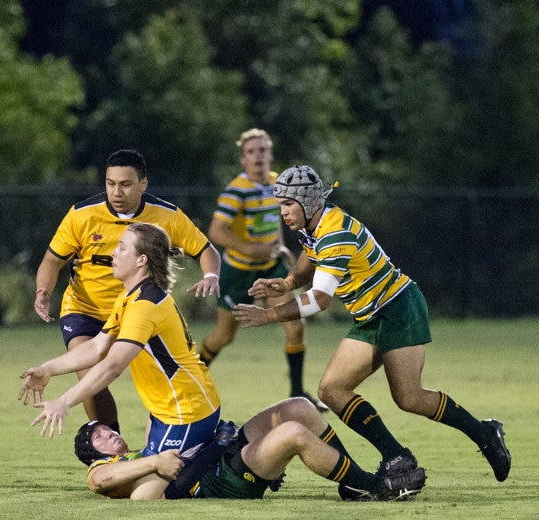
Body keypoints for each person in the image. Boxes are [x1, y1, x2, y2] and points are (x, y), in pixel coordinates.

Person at [231, 165, 511, 482]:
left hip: (399, 308)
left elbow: (318, 301)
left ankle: (486, 434)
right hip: (371, 315)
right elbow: (311, 250)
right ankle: (396, 456)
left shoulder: (335, 233)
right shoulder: (316, 222)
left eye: (287, 204)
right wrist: (290, 280)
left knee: (409, 398)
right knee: (332, 390)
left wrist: (268, 314)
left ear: (308, 202)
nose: (282, 212)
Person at [33, 149, 221, 433]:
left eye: (125, 184)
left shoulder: (166, 216)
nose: (116, 191)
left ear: (143, 184)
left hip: (139, 310)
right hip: (86, 309)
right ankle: (110, 443)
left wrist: (210, 275)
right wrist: (43, 291)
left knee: (157, 372)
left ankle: (174, 425)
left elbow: (206, 250)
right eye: (110, 183)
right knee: (89, 371)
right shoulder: (82, 216)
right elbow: (52, 260)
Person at [21, 223, 221, 457]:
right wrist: (48, 369)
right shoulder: (130, 297)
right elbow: (96, 347)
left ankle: (227, 449)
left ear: (141, 260)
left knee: (151, 488)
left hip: (186, 411)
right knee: (134, 472)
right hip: (166, 410)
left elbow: (113, 365)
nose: (114, 253)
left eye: (122, 248)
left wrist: (65, 401)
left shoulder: (145, 306)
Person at [74, 397, 427, 501]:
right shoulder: (104, 472)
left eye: (107, 429)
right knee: (292, 434)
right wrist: (157, 461)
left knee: (298, 409)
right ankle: (378, 487)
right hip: (217, 480)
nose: (109, 434)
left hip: (220, 452)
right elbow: (103, 480)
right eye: (100, 438)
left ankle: (352, 482)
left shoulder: (148, 447)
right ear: (95, 455)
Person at [198, 129, 325, 411]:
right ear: (243, 159)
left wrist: (279, 246)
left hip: (271, 269)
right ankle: (189, 382)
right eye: (252, 152)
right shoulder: (236, 191)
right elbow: (216, 231)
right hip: (238, 273)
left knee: (295, 326)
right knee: (223, 337)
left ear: (270, 154)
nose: (258, 156)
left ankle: (297, 394)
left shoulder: (277, 183)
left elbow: (277, 217)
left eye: (263, 150)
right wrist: (253, 249)